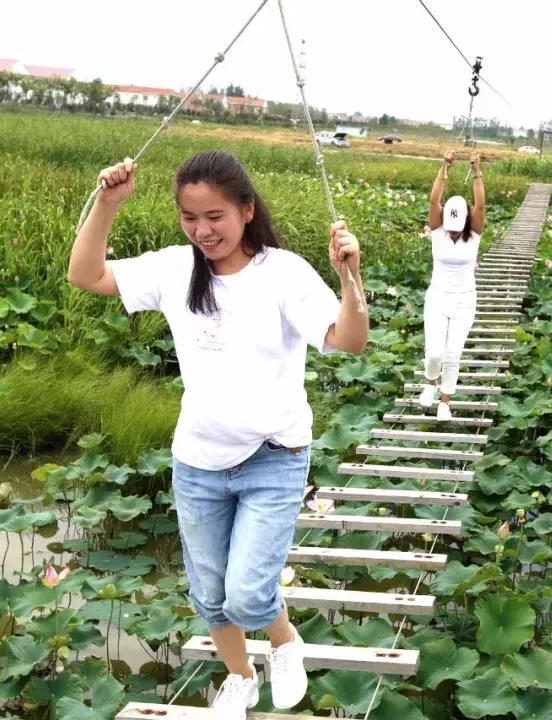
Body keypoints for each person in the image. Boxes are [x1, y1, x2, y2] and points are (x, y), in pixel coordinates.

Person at [67, 150, 368, 719]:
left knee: (249, 594)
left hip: (273, 456)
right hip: (198, 462)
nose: (203, 231)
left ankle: (285, 642)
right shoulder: (175, 268)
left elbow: (349, 341)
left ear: (246, 211)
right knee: (210, 594)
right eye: (190, 217)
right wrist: (107, 204)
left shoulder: (283, 273)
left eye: (215, 217)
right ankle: (240, 676)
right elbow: (85, 275)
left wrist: (350, 277)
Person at [418, 149, 485, 422]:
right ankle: (430, 383)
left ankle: (445, 400)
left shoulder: (475, 234)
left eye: (458, 225)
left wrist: (476, 172)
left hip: (465, 300)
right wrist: (445, 167)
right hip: (437, 296)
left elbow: (481, 205)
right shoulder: (437, 231)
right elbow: (434, 199)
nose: (453, 229)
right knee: (435, 353)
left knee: (453, 353)